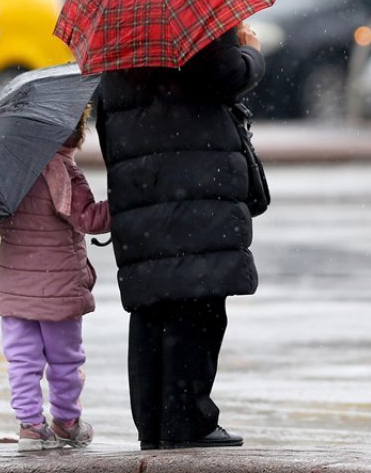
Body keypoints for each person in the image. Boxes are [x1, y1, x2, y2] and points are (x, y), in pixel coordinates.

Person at [94, 23, 265, 450]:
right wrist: (251, 54)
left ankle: (154, 424)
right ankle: (188, 421)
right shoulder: (196, 14)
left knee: (153, 306)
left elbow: (106, 112)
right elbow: (223, 75)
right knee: (199, 301)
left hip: (142, 184)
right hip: (197, 178)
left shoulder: (117, 26)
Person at [0, 109, 109, 452]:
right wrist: (123, 207)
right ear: (74, 136)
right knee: (64, 358)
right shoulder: (64, 173)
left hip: (14, 290)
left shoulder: (6, 172)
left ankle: (30, 426)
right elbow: (88, 218)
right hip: (58, 289)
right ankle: (67, 422)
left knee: (22, 359)